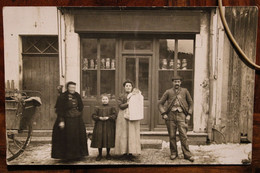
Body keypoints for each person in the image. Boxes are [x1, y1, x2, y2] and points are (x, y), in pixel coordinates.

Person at [158, 75, 194, 162]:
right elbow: (160, 104)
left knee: (184, 136)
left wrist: (189, 114)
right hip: (170, 116)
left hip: (182, 116)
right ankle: (173, 153)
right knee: (172, 136)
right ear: (172, 82)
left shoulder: (185, 91)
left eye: (178, 81)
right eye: (175, 81)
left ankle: (187, 154)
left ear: (180, 82)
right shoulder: (168, 92)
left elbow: (191, 103)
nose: (176, 83)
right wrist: (163, 114)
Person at [51, 81, 89, 160]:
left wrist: (78, 112)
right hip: (67, 119)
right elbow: (59, 109)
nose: (72, 89)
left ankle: (77, 155)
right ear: (67, 88)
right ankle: (67, 156)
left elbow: (81, 106)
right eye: (71, 87)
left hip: (77, 119)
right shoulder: (62, 96)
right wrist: (61, 121)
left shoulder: (77, 95)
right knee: (68, 137)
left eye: (74, 87)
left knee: (78, 137)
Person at [114, 80, 141, 161]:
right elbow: (120, 106)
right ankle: (124, 152)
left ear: (132, 87)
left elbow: (138, 104)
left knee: (132, 133)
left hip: (133, 115)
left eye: (129, 86)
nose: (128, 87)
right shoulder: (121, 96)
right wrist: (128, 103)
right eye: (126, 86)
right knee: (123, 133)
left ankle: (131, 152)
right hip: (123, 115)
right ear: (124, 87)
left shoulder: (135, 95)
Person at [91, 94, 117, 161]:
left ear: (108, 100)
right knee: (100, 139)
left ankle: (108, 154)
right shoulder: (97, 107)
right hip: (99, 125)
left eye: (106, 99)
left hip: (109, 125)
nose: (104, 101)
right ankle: (99, 154)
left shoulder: (112, 107)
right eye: (103, 99)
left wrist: (108, 117)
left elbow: (115, 115)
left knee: (108, 138)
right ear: (101, 100)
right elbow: (93, 115)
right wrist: (99, 118)